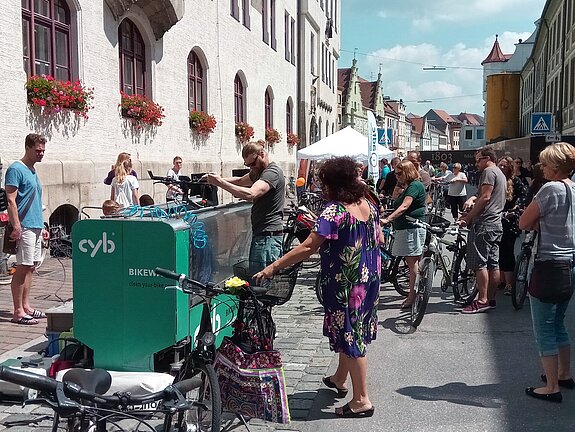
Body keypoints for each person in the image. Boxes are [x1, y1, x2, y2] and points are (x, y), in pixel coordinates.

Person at [253, 157, 381, 418]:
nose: (321, 187)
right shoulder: (367, 204)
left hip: (346, 283)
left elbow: (309, 246)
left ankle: (361, 400)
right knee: (352, 329)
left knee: (351, 335)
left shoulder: (335, 211)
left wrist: (273, 267)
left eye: (324, 183)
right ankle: (339, 378)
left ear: (335, 184)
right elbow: (376, 237)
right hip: (368, 279)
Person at [519, 142, 575, 403]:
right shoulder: (573, 188)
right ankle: (563, 374)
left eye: (544, 163)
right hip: (569, 264)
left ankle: (551, 387)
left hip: (549, 263)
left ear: (554, 166)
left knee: (544, 329)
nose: (541, 167)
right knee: (559, 324)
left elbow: (524, 221)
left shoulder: (550, 189)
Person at [203, 142, 284, 275]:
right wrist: (213, 180)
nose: (251, 167)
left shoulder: (271, 173)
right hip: (261, 235)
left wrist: (219, 182)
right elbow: (240, 181)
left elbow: (251, 193)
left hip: (268, 238)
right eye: (247, 165)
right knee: (257, 281)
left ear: (262, 154)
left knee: (261, 285)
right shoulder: (259, 171)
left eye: (253, 163)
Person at [458, 147, 506, 313]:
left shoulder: (488, 172)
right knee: (493, 263)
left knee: (480, 264)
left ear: (488, 158)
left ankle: (482, 300)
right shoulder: (499, 172)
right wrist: (473, 198)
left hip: (485, 223)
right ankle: (491, 299)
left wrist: (468, 217)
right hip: (496, 223)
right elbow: (484, 196)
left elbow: (485, 197)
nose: (476, 163)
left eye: (478, 160)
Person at [4, 133, 47, 325]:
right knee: (22, 268)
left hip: (36, 224)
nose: (41, 154)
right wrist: (16, 226)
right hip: (25, 225)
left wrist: (43, 224)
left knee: (30, 267)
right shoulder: (16, 169)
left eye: (43, 151)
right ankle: (18, 311)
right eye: (38, 150)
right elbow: (11, 200)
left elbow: (36, 200)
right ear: (28, 148)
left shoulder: (32, 170)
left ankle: (26, 306)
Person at [381, 160, 427, 308]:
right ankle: (414, 292)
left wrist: (388, 219)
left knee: (412, 263)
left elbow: (405, 205)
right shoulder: (407, 186)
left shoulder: (415, 185)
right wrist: (398, 184)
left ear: (407, 172)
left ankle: (412, 296)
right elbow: (395, 199)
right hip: (405, 228)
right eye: (395, 173)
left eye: (399, 173)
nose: (396, 176)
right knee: (411, 262)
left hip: (411, 228)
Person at [497, 156, 528, 295]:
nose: (502, 168)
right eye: (500, 165)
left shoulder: (515, 181)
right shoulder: (496, 179)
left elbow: (524, 196)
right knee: (498, 251)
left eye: (505, 166)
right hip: (497, 218)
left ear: (510, 167)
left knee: (507, 251)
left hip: (510, 220)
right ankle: (501, 280)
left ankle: (510, 283)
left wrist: (517, 207)